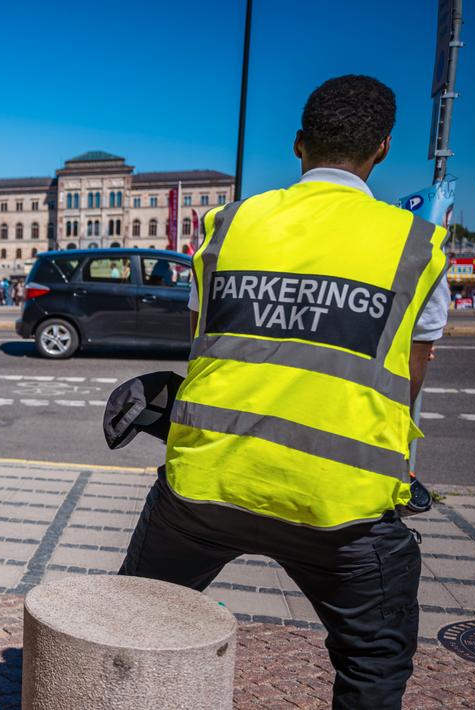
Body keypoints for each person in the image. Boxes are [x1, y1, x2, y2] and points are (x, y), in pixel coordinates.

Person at [117, 76, 450, 710]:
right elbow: (411, 373)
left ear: (299, 143)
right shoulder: (415, 244)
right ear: (383, 147)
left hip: (208, 481)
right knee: (374, 661)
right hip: (341, 501)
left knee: (135, 618)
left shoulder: (229, 224)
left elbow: (207, 345)